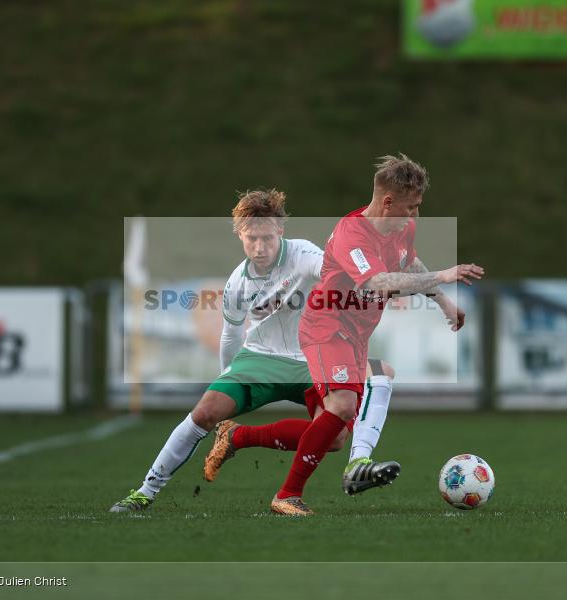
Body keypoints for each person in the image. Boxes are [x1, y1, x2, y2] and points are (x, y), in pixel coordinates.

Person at [110, 189, 399, 513]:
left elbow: (333, 272)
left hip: (313, 357)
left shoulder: (303, 255)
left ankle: (246, 439)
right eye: (251, 239)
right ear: (239, 235)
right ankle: (144, 491)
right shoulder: (238, 283)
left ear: (280, 231)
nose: (260, 247)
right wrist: (226, 379)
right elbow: (230, 338)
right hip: (261, 359)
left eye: (266, 238)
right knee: (205, 412)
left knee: (337, 433)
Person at [268, 154, 485, 516]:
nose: (415, 215)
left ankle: (238, 437)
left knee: (341, 426)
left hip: (356, 335)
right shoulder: (352, 234)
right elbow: (376, 281)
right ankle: (289, 494)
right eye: (411, 207)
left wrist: (443, 301)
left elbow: (407, 262)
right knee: (342, 405)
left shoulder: (402, 228)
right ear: (387, 203)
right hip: (327, 326)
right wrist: (443, 276)